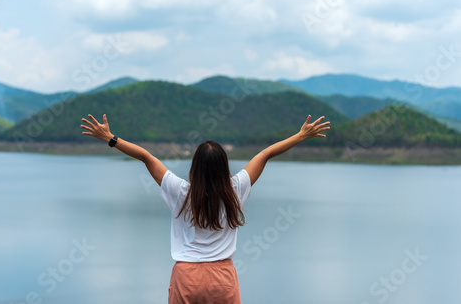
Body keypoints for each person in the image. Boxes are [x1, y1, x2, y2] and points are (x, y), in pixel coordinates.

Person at [80, 113, 330, 303]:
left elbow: (146, 157)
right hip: (223, 277)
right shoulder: (234, 190)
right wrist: (300, 136)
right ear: (224, 166)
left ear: (195, 167)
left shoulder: (181, 192)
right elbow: (265, 155)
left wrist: (110, 138)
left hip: (187, 276)